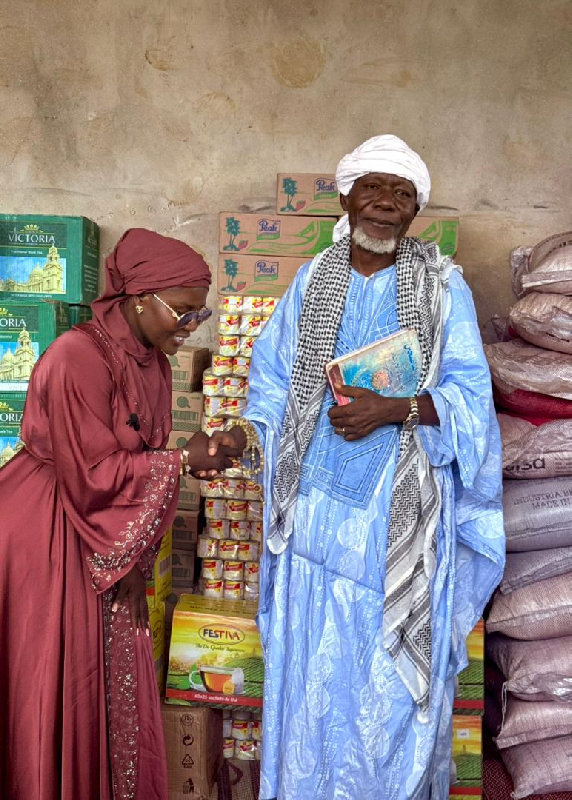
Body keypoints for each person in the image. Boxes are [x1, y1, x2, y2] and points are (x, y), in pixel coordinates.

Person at [217, 135, 505, 799]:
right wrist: (244, 435)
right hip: (312, 524)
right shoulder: (313, 280)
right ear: (345, 197)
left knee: (385, 710)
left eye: (403, 195)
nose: (387, 204)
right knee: (306, 702)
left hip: (391, 530)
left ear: (414, 213)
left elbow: (470, 399)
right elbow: (271, 382)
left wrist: (394, 408)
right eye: (375, 188)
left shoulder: (442, 289)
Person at [0, 228, 233, 800]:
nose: (190, 327)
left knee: (93, 677)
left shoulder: (155, 363)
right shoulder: (75, 355)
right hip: (38, 530)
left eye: (200, 315)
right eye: (182, 313)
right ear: (139, 298)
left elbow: (139, 455)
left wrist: (191, 458)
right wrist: (178, 462)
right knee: (49, 678)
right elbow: (90, 473)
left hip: (98, 529)